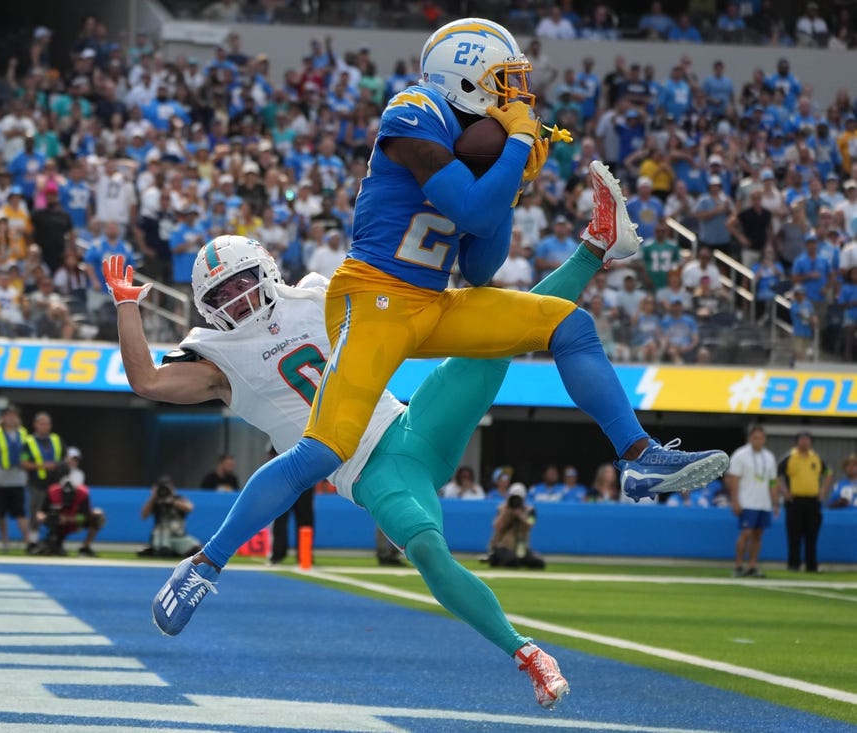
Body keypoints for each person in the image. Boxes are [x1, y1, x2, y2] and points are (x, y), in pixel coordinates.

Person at [150, 16, 728, 643]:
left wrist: (515, 179)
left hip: (433, 298)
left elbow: (481, 263)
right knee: (321, 450)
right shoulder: (413, 109)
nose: (514, 95)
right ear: (463, 77)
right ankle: (204, 566)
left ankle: (639, 458)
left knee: (570, 326)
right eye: (501, 80)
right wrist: (511, 155)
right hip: (371, 298)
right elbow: (471, 205)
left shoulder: (477, 136)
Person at [106, 179, 633, 709]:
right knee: (426, 548)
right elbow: (147, 382)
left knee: (498, 341)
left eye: (241, 281)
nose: (237, 298)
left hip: (415, 424)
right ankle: (528, 655)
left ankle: (595, 244)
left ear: (265, 269)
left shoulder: (319, 293)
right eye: (220, 295)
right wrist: (127, 307)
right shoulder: (217, 359)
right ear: (206, 307)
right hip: (369, 474)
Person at [725, 424, 779, 578]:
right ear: (750, 438)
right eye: (755, 437)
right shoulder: (740, 455)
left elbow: (773, 481)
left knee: (758, 534)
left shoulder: (769, 456)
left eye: (761, 438)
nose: (758, 440)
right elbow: (734, 479)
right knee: (746, 533)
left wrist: (775, 501)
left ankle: (753, 565)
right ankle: (738, 565)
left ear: (764, 439)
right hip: (747, 501)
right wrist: (735, 501)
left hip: (764, 502)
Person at [0, 403, 32, 553]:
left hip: (18, 480)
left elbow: (28, 456)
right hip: (0, 480)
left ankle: (28, 541)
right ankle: (5, 542)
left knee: (20, 513)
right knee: (0, 513)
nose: (11, 418)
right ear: (3, 418)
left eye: (14, 415)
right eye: (8, 415)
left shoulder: (23, 434)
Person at [777, 432, 832, 572]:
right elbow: (777, 474)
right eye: (802, 440)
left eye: (807, 440)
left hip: (813, 501)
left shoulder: (816, 457)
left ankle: (811, 565)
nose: (805, 443)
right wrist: (784, 491)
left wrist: (823, 491)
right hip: (795, 501)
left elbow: (829, 473)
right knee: (794, 534)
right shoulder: (790, 457)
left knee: (812, 534)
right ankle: (793, 564)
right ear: (797, 442)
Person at [32, 476, 104, 557]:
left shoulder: (82, 494)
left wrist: (69, 519)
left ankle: (85, 548)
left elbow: (86, 516)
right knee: (53, 517)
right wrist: (44, 518)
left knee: (98, 516)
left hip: (76, 522)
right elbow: (42, 511)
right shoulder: (53, 492)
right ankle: (53, 543)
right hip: (58, 522)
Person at [20, 410, 65, 537]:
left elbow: (64, 459)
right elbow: (23, 463)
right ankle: (33, 542)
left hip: (55, 485)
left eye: (47, 424)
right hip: (37, 485)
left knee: (55, 513)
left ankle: (54, 541)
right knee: (36, 512)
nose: (45, 426)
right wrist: (43, 466)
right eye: (42, 423)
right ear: (35, 424)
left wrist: (58, 466)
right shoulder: (28, 442)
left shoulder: (56, 439)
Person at [138, 476, 201, 558]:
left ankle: (169, 551)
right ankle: (163, 550)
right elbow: (143, 515)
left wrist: (172, 500)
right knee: (163, 546)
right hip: (161, 536)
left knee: (196, 548)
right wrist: (153, 497)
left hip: (178, 536)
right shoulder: (155, 501)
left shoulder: (178, 499)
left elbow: (190, 507)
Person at [487, 484, 545, 569]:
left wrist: (520, 516)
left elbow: (530, 525)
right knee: (512, 561)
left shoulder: (530, 511)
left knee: (538, 563)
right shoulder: (501, 509)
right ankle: (495, 556)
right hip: (504, 545)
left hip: (521, 546)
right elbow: (497, 527)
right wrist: (507, 513)